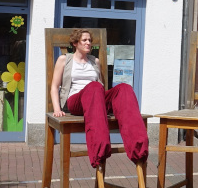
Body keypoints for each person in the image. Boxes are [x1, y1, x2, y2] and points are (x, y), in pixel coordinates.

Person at [50, 29, 149, 169]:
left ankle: (139, 148)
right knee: (94, 87)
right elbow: (54, 87)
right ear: (75, 43)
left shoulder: (95, 61)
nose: (88, 43)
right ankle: (99, 150)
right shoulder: (64, 60)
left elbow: (101, 86)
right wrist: (57, 109)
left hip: (95, 99)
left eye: (90, 40)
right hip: (75, 101)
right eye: (84, 40)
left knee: (124, 88)